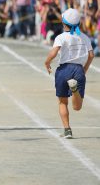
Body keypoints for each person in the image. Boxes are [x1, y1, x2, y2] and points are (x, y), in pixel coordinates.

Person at [44, 8, 94, 138]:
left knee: (62, 102)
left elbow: (54, 53)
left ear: (63, 23)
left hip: (63, 69)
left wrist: (47, 62)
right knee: (77, 107)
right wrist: (85, 69)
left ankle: (67, 130)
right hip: (78, 70)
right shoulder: (85, 37)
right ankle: (75, 90)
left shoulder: (60, 37)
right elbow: (91, 55)